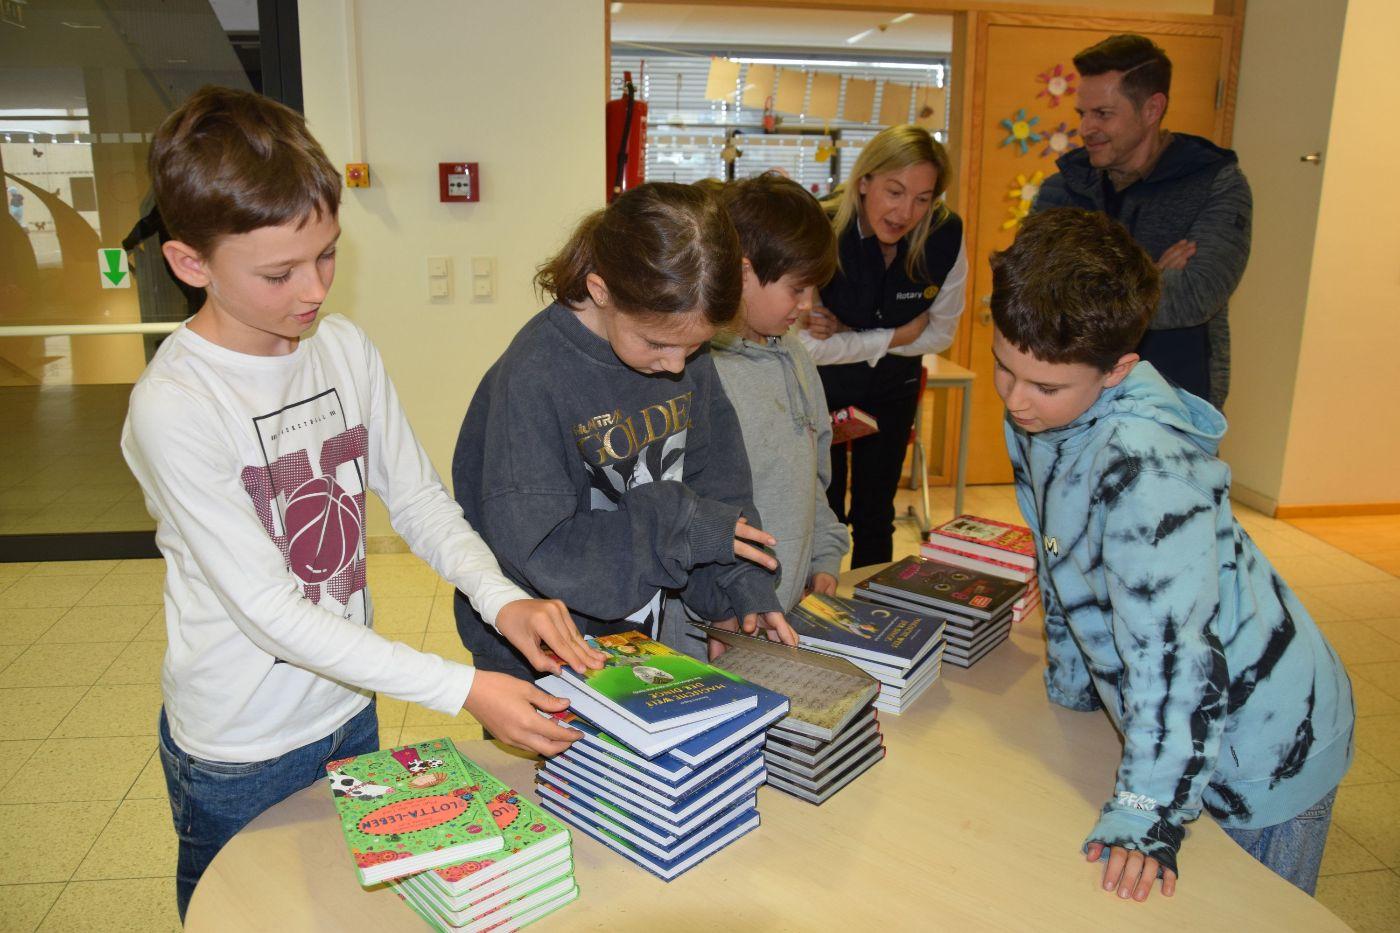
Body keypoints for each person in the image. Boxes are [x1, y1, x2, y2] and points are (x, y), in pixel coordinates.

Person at [120, 86, 603, 920]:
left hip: (348, 704)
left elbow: (417, 501)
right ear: (191, 265)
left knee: (349, 909)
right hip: (241, 741)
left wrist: (502, 598)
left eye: (328, 256)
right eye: (279, 273)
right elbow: (271, 613)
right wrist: (462, 688)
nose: (313, 290)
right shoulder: (177, 405)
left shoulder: (341, 348)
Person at [991, 207, 1353, 901]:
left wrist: (1147, 813)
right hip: (1181, 726)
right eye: (1005, 369)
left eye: (1045, 387)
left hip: (1267, 742)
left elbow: (1175, 652)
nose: (1016, 401)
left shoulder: (1146, 472)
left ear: (1118, 370)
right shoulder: (1044, 416)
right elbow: (1060, 553)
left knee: (1252, 910)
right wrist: (1072, 679)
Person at [452, 181, 797, 680]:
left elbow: (716, 482)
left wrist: (735, 587)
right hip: (539, 654)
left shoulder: (678, 346)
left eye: (694, 347)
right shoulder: (533, 376)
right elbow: (541, 548)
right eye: (657, 343)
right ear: (601, 291)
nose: (677, 365)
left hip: (634, 639)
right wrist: (679, 530)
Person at [658, 173, 849, 660]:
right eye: (797, 289)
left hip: (785, 612)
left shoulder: (797, 357)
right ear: (743, 274)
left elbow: (814, 475)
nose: (808, 305)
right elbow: (685, 512)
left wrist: (824, 554)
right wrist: (722, 602)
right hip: (711, 629)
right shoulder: (695, 371)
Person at [1032, 33, 1252, 410]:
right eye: (1083, 114)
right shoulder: (1061, 189)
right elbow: (1035, 292)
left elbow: (1195, 295)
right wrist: (1153, 275)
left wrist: (1082, 288)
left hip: (1174, 407)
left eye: (1103, 114)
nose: (1086, 128)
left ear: (1151, 109)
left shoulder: (1215, 184)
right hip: (1064, 406)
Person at [799, 124, 968, 567]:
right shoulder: (822, 225)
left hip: (894, 389)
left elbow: (941, 335)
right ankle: (820, 602)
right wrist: (897, 336)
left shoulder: (946, 235)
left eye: (923, 199)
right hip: (825, 389)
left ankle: (871, 604)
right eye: (894, 192)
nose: (905, 212)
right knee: (824, 511)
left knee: (876, 513)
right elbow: (809, 347)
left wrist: (846, 333)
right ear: (864, 182)